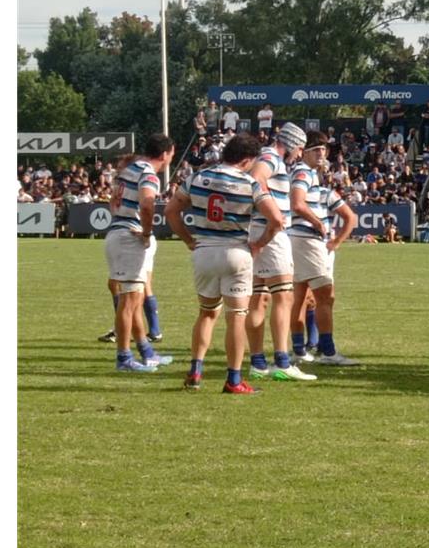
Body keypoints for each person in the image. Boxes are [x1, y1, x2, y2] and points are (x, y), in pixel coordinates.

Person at [164, 134, 285, 394]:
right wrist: (260, 243)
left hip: (204, 251)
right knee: (236, 317)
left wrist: (188, 239)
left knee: (207, 313)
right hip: (236, 252)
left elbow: (171, 211)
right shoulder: (250, 183)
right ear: (248, 160)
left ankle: (196, 371)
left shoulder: (197, 177)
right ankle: (233, 379)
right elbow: (277, 220)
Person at [245, 122, 316, 382]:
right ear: (292, 144)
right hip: (270, 233)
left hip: (256, 228)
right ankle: (282, 362)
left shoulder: (267, 156)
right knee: (283, 297)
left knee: (259, 298)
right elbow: (256, 178)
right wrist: (272, 211)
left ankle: (257, 362)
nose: (300, 154)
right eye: (300, 148)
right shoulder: (271, 157)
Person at [103, 134, 175, 373]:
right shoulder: (148, 174)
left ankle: (146, 352)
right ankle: (124, 358)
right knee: (129, 301)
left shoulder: (129, 170)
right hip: (129, 237)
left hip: (118, 231)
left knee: (133, 299)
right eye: (171, 154)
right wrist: (146, 232)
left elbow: (113, 202)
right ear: (164, 154)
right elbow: (146, 204)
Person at [288, 130, 361, 367]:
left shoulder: (312, 179)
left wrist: (335, 241)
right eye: (316, 149)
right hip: (308, 240)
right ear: (304, 152)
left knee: (300, 298)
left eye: (324, 149)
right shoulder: (303, 172)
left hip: (298, 239)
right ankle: (328, 352)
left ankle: (299, 350)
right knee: (325, 297)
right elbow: (297, 203)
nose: (322, 153)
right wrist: (318, 223)